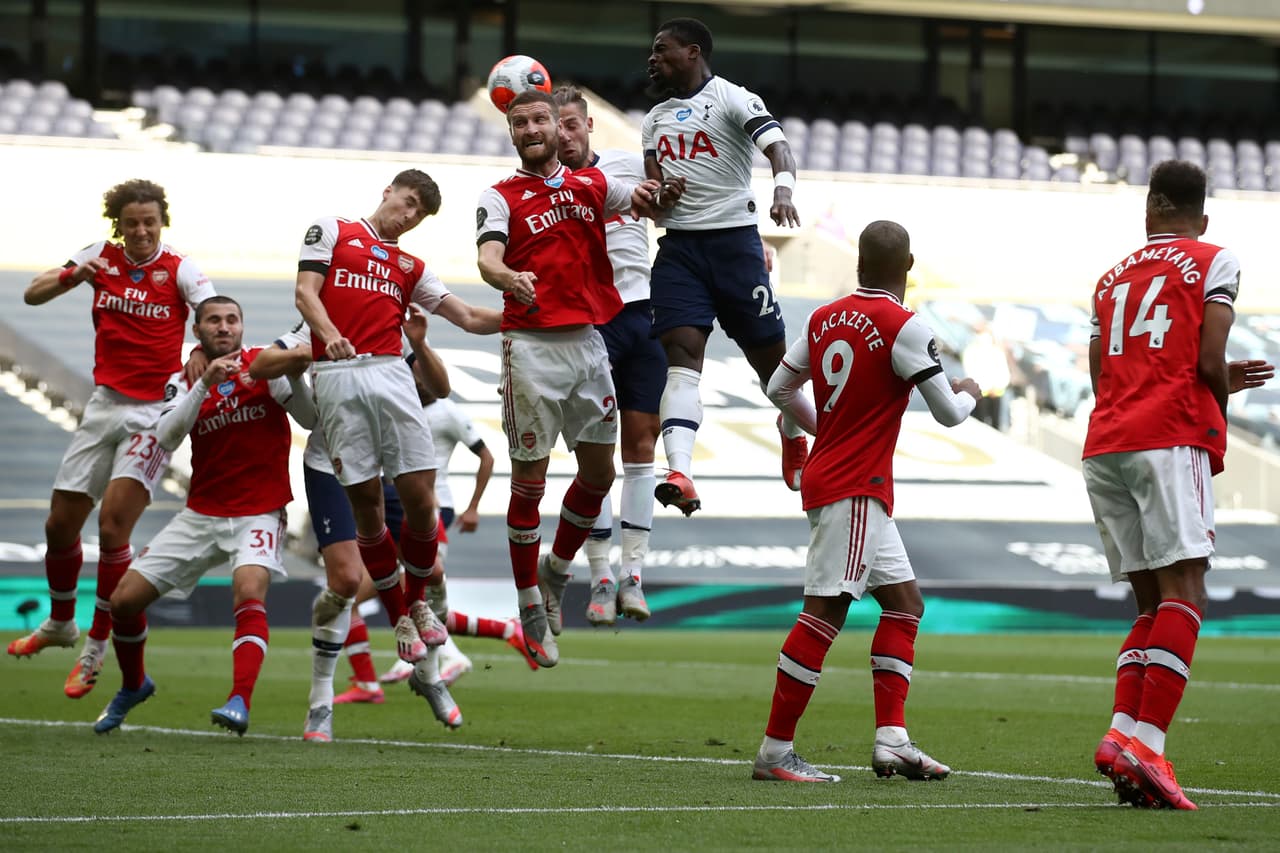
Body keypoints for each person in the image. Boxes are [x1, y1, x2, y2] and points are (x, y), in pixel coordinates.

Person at [752, 221, 979, 783]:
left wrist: (818, 429)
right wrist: (970, 394)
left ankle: (892, 740)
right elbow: (949, 414)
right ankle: (775, 752)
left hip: (840, 481)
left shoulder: (824, 317)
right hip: (855, 485)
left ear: (859, 262)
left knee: (905, 603)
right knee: (824, 611)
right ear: (908, 266)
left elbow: (778, 388)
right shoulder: (905, 326)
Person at [1084, 160, 1276, 810]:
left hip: (1106, 443)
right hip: (1167, 438)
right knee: (1186, 592)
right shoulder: (1215, 259)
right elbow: (1208, 360)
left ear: (1149, 211)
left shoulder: (1110, 278)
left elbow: (1102, 373)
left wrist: (1192, 381)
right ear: (1203, 215)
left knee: (1149, 605)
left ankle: (1121, 734)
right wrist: (1216, 399)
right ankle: (1148, 746)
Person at [476, 89, 667, 668]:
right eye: (521, 122)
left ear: (559, 129)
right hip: (531, 348)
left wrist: (664, 194)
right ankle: (530, 605)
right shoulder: (499, 195)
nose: (532, 128)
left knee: (600, 473)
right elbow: (487, 258)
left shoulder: (593, 185)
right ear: (512, 132)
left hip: (588, 342)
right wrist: (508, 278)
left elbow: (647, 199)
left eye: (540, 119)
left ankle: (557, 570)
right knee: (529, 484)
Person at [10, 180, 216, 701]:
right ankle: (61, 622)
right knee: (59, 525)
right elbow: (32, 293)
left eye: (150, 222)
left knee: (112, 528)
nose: (141, 231)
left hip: (153, 414)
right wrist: (73, 275)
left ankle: (94, 650)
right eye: (132, 223)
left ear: (162, 222)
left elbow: (216, 314)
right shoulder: (99, 256)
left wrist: (200, 348)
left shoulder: (181, 269)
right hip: (103, 405)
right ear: (118, 226)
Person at [261, 291, 499, 740]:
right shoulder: (306, 330)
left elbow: (439, 387)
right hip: (330, 465)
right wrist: (302, 365)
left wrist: (420, 344)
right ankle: (320, 702)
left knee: (433, 571)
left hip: (385, 465)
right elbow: (265, 370)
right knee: (346, 582)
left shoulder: (385, 325)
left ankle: (429, 674)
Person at [92, 296, 315, 734]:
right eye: (214, 320)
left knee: (248, 592)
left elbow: (309, 419)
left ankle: (239, 701)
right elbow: (167, 436)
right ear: (198, 331)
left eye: (232, 319)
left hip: (259, 512)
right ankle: (134, 684)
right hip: (201, 514)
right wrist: (204, 383)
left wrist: (295, 374)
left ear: (242, 326)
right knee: (124, 602)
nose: (224, 327)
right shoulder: (183, 380)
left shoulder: (263, 366)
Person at [641, 17, 809, 515]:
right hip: (680, 251)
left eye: (662, 49)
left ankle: (792, 429)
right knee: (681, 360)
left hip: (735, 246)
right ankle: (680, 471)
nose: (653, 58)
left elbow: (779, 148)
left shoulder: (734, 98)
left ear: (693, 52)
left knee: (775, 372)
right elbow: (655, 195)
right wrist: (663, 194)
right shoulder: (654, 120)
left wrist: (783, 192)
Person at [554, 84, 664, 625]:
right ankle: (599, 575)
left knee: (642, 444)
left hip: (642, 313)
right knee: (593, 455)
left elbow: (674, 200)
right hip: (586, 323)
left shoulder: (626, 165)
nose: (564, 135)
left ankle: (632, 575)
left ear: (588, 125)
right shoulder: (545, 188)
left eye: (572, 124)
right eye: (555, 126)